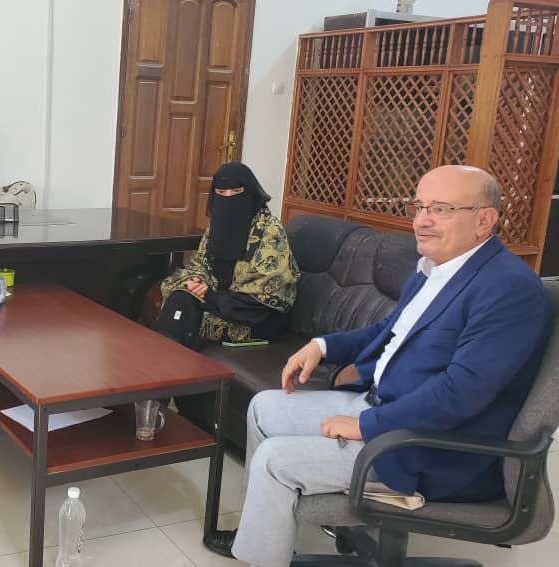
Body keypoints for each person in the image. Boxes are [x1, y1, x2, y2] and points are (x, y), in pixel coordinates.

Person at [207, 165, 551, 567]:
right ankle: (260, 537)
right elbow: (389, 331)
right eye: (419, 206)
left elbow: (461, 393)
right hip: (384, 406)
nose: (422, 220)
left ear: (484, 220)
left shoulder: (507, 288)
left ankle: (261, 556)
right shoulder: (435, 268)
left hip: (430, 446)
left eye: (440, 209)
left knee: (274, 460)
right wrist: (321, 345)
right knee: (263, 407)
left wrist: (367, 426)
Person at [153, 162, 299, 432]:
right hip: (219, 303)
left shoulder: (270, 234)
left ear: (250, 194)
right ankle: (156, 402)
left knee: (183, 315)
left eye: (236, 193)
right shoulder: (217, 227)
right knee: (180, 300)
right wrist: (196, 283)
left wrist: (211, 297)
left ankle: (152, 405)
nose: (228, 199)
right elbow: (201, 265)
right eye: (221, 193)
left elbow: (266, 298)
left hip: (256, 320)